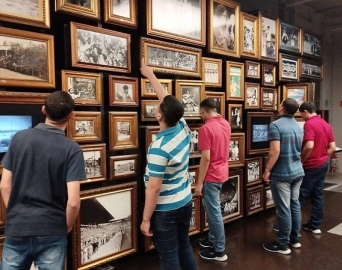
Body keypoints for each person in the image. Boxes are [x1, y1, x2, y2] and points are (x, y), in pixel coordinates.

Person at [0, 91, 86, 269]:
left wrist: (17, 212)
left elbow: (4, 185)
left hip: (18, 226)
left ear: (43, 109)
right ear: (72, 116)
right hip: (52, 227)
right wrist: (66, 227)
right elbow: (73, 202)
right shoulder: (72, 149)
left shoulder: (18, 138)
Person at [139, 58, 197, 270]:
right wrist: (150, 74)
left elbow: (154, 188)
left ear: (159, 115)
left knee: (169, 258)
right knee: (184, 247)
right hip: (184, 201)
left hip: (165, 209)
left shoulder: (159, 148)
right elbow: (166, 99)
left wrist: (146, 220)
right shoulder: (182, 126)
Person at [262, 98, 305, 255]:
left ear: (281, 108)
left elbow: (275, 151)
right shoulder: (299, 126)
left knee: (284, 209)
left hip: (282, 174)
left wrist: (267, 170)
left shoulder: (275, 125)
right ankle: (295, 239)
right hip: (298, 172)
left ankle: (282, 244)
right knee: (294, 205)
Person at [194, 98, 231, 262]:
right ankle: (212, 239)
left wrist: (199, 183)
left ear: (202, 111)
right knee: (212, 209)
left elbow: (206, 158)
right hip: (222, 172)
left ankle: (219, 250)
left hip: (211, 175)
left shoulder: (205, 128)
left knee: (214, 212)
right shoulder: (225, 123)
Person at [298, 101, 336, 234]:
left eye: (301, 114)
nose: (302, 117)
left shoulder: (309, 124)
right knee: (318, 195)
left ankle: (292, 228)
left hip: (310, 165)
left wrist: (301, 161)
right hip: (322, 164)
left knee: (300, 196)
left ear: (305, 112)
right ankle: (315, 225)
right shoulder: (325, 124)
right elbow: (332, 147)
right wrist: (323, 156)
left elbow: (309, 145)